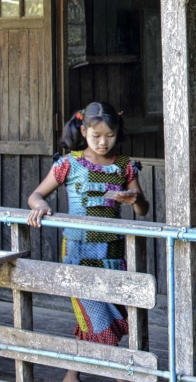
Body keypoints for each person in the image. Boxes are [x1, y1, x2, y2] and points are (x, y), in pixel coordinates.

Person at [27, 102, 149, 382]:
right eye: (96, 136)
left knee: (104, 312)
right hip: (78, 252)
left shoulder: (125, 166)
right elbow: (36, 195)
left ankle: (72, 375)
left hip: (112, 253)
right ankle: (120, 374)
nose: (103, 142)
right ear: (83, 131)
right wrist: (41, 206)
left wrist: (135, 200)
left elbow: (143, 210)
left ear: (117, 132)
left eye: (110, 136)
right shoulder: (68, 164)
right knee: (95, 316)